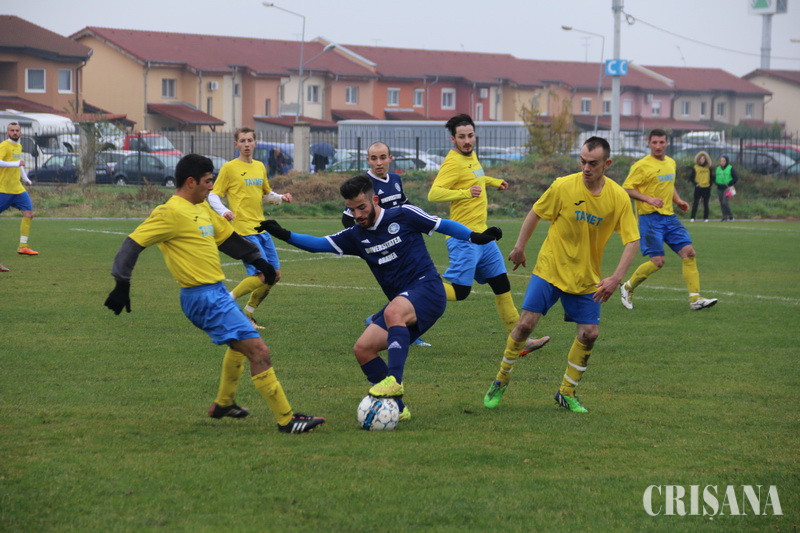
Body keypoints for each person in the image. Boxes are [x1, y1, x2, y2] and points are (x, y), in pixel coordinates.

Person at [103, 154, 324, 434]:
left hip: (216, 292)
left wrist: (261, 263)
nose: (211, 187)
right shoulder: (169, 212)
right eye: (208, 181)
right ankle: (287, 421)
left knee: (240, 343)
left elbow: (229, 240)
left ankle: (224, 403)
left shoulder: (203, 208)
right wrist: (121, 283)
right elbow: (132, 244)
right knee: (259, 351)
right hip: (202, 298)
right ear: (191, 182)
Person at [257, 174, 505, 422]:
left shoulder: (404, 214)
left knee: (392, 311)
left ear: (375, 200)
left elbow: (443, 224)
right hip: (404, 302)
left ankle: (394, 381)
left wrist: (474, 237)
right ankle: (398, 407)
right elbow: (318, 244)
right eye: (351, 210)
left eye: (362, 207)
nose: (357, 215)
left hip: (428, 289)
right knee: (363, 349)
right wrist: (283, 233)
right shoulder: (355, 235)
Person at [483, 136, 640, 413]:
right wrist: (519, 247)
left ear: (607, 164)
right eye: (582, 161)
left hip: (585, 277)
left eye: (593, 163)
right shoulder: (563, 186)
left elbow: (633, 240)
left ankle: (566, 392)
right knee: (525, 325)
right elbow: (535, 212)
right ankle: (501, 379)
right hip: (551, 268)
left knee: (590, 333)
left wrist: (616, 277)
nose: (586, 168)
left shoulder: (618, 197)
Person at [428, 113, 549, 355]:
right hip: (464, 237)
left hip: (484, 236)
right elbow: (434, 194)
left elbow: (476, 177)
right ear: (453, 139)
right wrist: (465, 194)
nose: (467, 141)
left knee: (501, 284)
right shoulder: (452, 162)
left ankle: (519, 341)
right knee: (460, 292)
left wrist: (493, 182)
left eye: (470, 135)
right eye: (461, 137)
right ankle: (418, 288)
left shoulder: (471, 156)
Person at [342, 141, 431, 347]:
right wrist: (362, 243)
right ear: (367, 160)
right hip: (382, 248)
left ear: (391, 158)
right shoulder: (364, 185)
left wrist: (421, 220)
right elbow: (347, 218)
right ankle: (406, 332)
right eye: (374, 158)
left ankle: (377, 320)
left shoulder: (396, 179)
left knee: (406, 289)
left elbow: (405, 205)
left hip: (402, 244)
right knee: (405, 289)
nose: (379, 163)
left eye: (383, 157)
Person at [619, 129, 718, 311]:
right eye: (654, 142)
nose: (658, 146)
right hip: (649, 218)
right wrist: (649, 199)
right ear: (649, 143)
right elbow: (627, 188)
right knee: (658, 261)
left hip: (669, 217)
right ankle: (627, 287)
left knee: (689, 253)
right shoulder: (641, 166)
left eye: (661, 142)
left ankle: (695, 299)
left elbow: (669, 185)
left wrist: (678, 200)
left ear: (667, 143)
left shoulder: (671, 163)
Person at [208, 128, 293, 330]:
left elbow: (266, 193)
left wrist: (281, 198)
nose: (246, 144)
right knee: (264, 274)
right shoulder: (229, 168)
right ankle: (225, 304)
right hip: (243, 230)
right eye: (242, 140)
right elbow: (213, 195)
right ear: (236, 144)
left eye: (249, 140)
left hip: (261, 228)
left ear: (255, 143)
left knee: (275, 275)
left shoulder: (260, 166)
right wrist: (223, 211)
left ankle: (248, 314)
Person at [0, 122, 38, 256]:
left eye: (17, 130)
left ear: (20, 133)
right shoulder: (4, 145)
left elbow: (19, 165)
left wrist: (26, 178)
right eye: (12, 130)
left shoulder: (19, 146)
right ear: (7, 133)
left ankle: (23, 246)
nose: (15, 132)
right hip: (3, 189)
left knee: (28, 213)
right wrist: (15, 163)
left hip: (17, 188)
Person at [688, 150, 712, 222]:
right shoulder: (695, 167)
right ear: (698, 159)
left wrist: (710, 184)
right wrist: (696, 184)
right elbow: (691, 178)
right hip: (698, 188)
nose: (702, 160)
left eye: (703, 158)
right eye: (701, 158)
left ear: (706, 159)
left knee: (706, 203)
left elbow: (712, 177)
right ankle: (692, 217)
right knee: (695, 203)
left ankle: (706, 218)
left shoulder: (708, 168)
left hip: (706, 188)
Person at [715, 155, 738, 222]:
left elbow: (736, 178)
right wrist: (715, 182)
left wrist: (730, 183)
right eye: (721, 161)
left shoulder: (730, 168)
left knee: (725, 202)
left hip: (727, 187)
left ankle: (731, 216)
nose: (722, 162)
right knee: (721, 203)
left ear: (726, 161)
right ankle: (724, 217)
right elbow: (716, 177)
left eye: (724, 161)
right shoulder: (718, 168)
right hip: (719, 187)